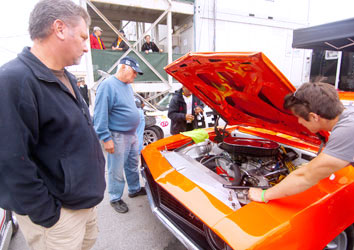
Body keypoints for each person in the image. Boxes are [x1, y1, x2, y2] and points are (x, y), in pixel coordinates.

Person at [0, 0, 106, 249]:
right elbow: (9, 160)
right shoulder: (14, 80)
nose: (86, 47)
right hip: (58, 217)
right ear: (59, 28)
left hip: (84, 204)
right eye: (82, 37)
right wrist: (49, 216)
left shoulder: (65, 75)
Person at [249, 82, 354, 203]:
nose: (298, 122)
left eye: (298, 117)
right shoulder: (349, 116)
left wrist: (264, 195)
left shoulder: (347, 131)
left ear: (314, 117)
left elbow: (305, 177)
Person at [93, 56, 146, 214]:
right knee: (115, 169)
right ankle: (115, 197)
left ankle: (134, 189)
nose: (135, 76)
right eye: (134, 72)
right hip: (117, 135)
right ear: (123, 67)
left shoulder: (127, 86)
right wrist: (105, 138)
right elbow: (100, 114)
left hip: (131, 134)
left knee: (131, 165)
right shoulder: (107, 85)